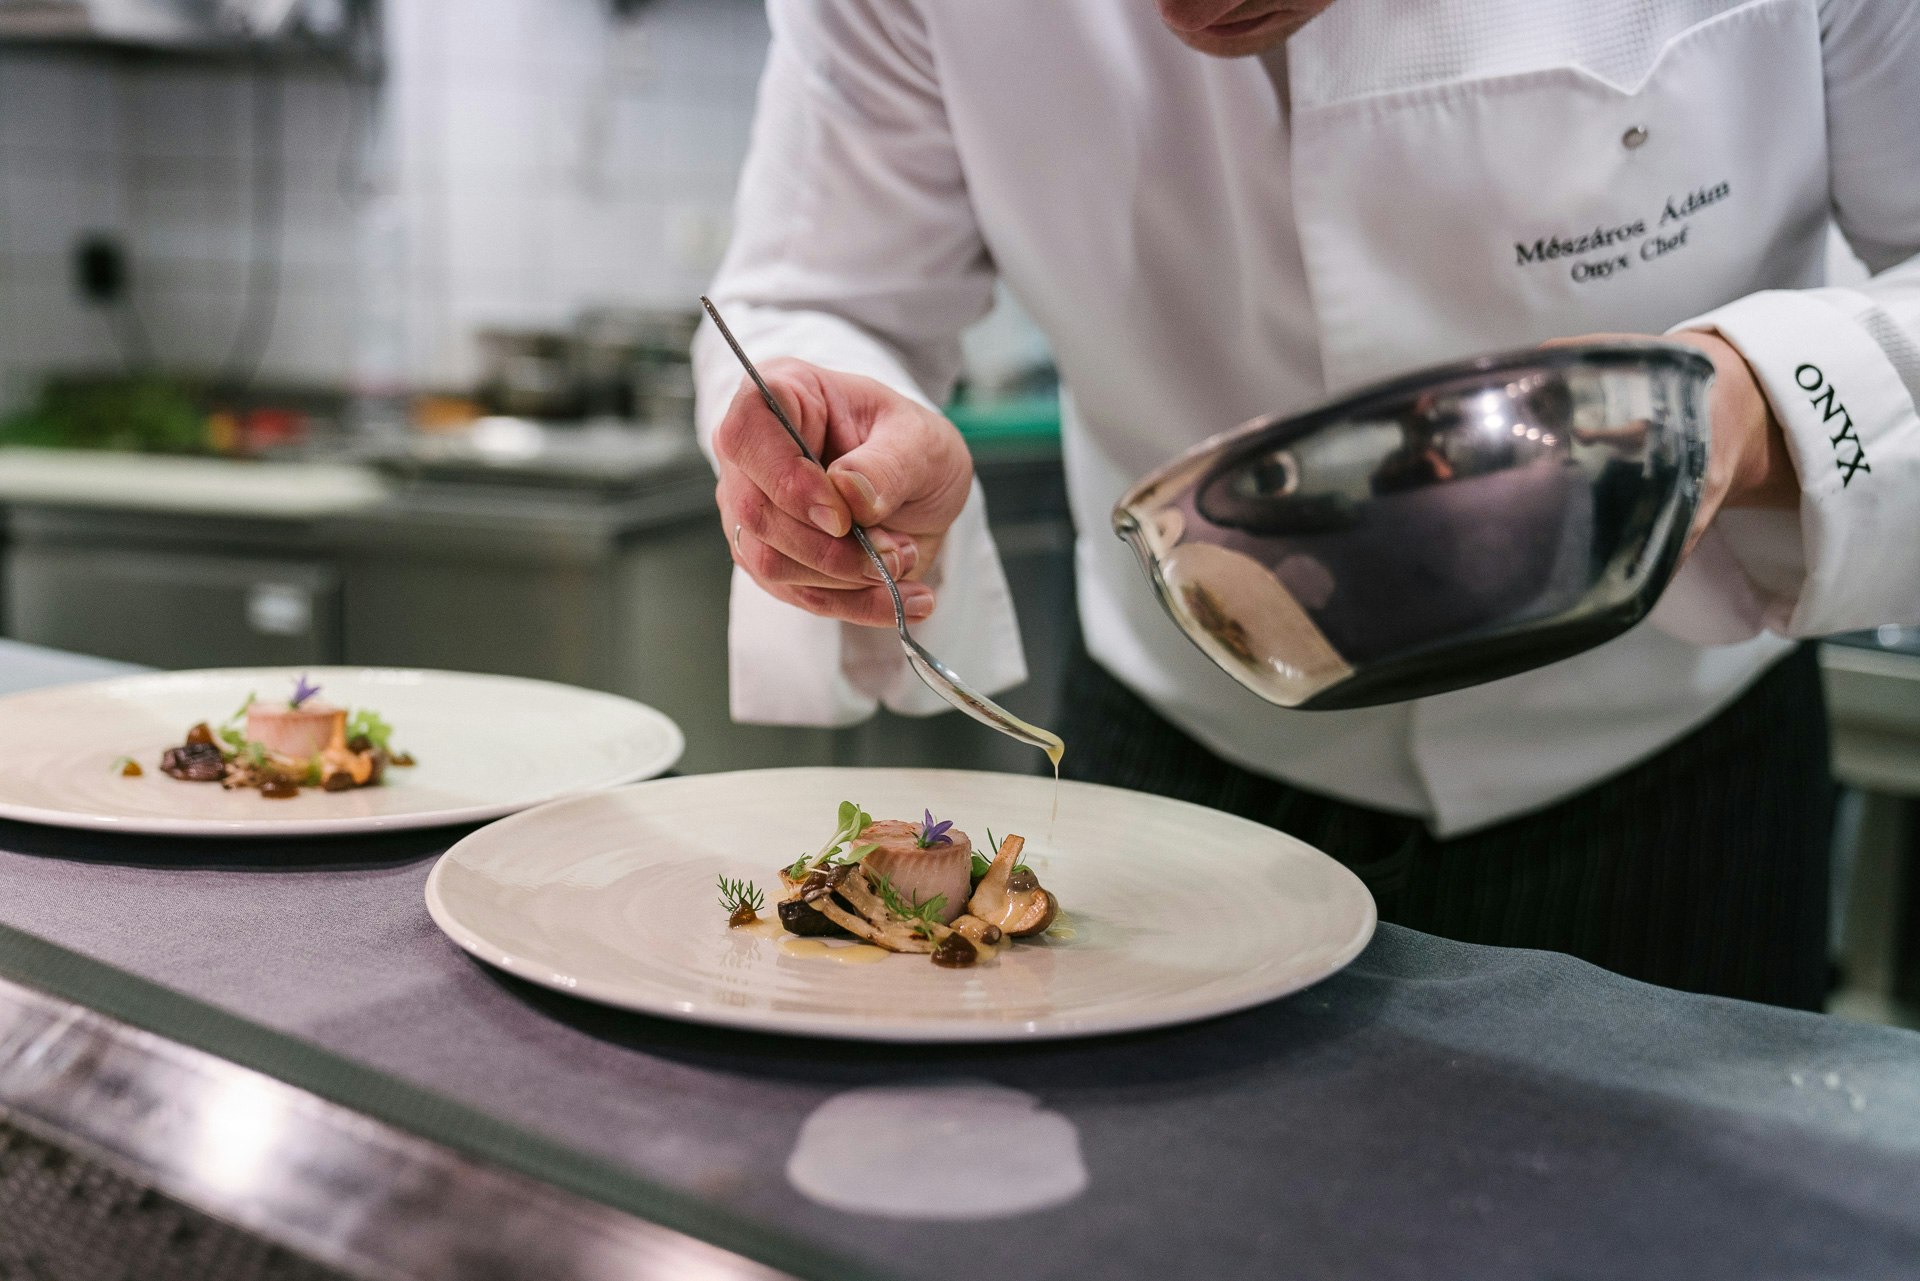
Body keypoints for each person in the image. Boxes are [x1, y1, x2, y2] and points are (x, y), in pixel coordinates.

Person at [693, 0, 1920, 1010]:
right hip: (1178, 761)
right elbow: (825, 286)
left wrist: (1760, 401)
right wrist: (835, 426)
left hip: (1669, 780)